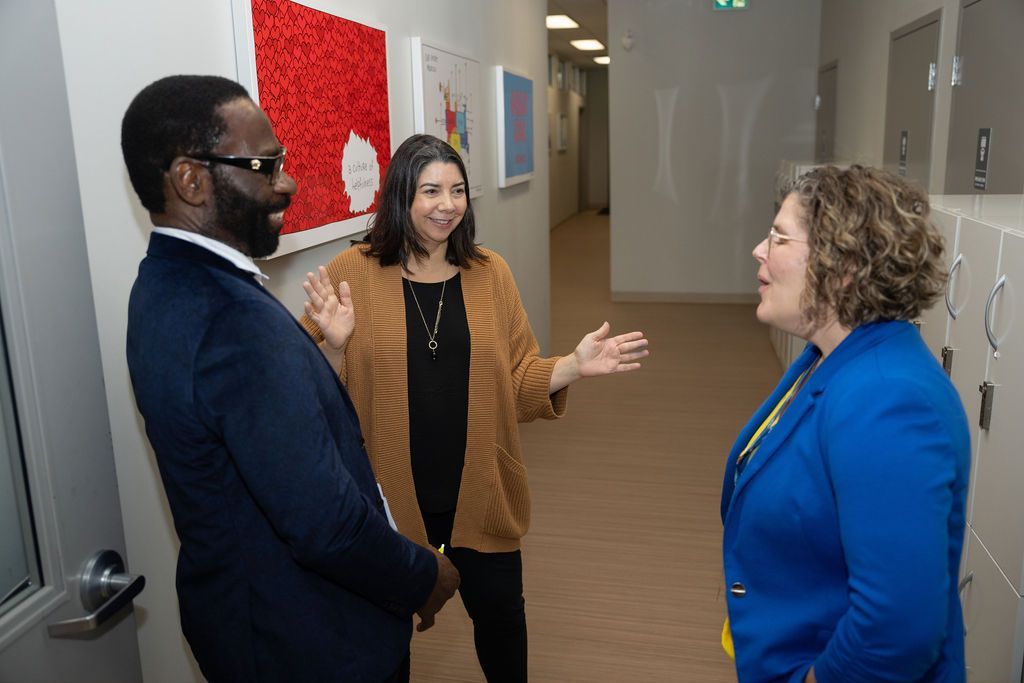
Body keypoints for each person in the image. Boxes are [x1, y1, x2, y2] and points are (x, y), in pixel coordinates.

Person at [122, 76, 459, 683]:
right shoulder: (230, 319)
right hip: (310, 641)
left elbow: (265, 433)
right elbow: (324, 524)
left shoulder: (164, 284)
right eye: (266, 165)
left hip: (249, 620)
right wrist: (424, 575)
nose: (288, 183)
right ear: (190, 181)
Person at [301, 134, 649, 681]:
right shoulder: (353, 272)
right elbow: (309, 397)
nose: (448, 205)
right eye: (431, 191)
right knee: (385, 642)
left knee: (502, 622)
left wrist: (572, 366)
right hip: (388, 503)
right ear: (400, 195)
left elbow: (515, 381)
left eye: (458, 190)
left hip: (481, 492)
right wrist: (335, 347)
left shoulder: (490, 273)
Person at [720, 165, 970, 682]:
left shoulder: (888, 398)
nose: (759, 251)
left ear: (844, 267)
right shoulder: (827, 357)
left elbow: (897, 628)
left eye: (779, 238)